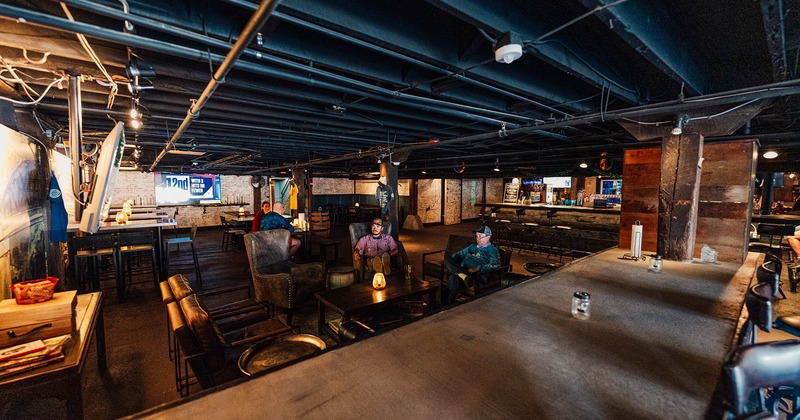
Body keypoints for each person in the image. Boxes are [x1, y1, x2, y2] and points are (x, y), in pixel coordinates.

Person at [442, 225, 501, 306]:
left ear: (488, 237)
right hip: (463, 270)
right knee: (447, 259)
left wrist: (478, 268)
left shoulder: (492, 250)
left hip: (476, 274)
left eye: (480, 236)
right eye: (476, 236)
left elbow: (496, 265)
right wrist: (453, 262)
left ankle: (446, 304)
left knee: (454, 277)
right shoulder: (472, 247)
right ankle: (462, 275)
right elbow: (458, 255)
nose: (478, 239)